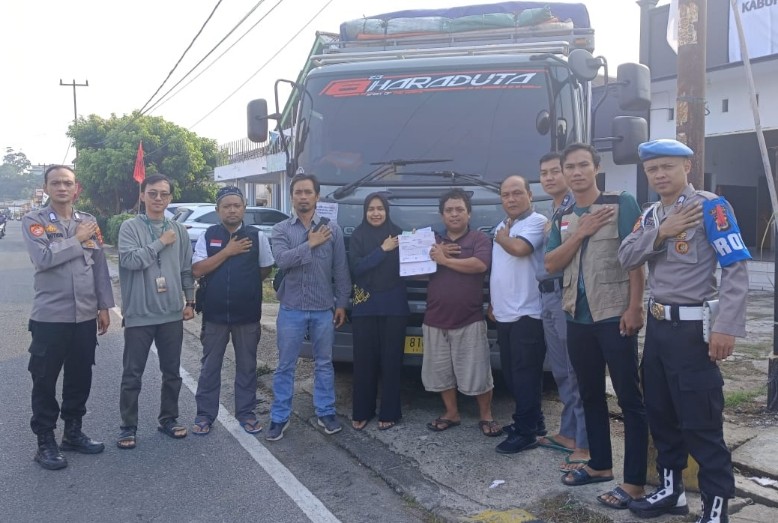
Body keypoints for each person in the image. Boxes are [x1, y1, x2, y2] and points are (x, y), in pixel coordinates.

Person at [619, 139, 751, 523]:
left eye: (668, 166)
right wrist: (661, 232)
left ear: (687, 167)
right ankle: (671, 493)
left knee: (701, 423)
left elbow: (735, 268)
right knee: (661, 416)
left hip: (694, 333)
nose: (660, 174)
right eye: (652, 169)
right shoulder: (650, 216)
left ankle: (715, 509)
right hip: (658, 331)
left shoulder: (710, 207)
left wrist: (726, 326)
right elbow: (626, 257)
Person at [544, 143, 648, 508]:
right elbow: (551, 263)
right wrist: (579, 232)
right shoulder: (563, 214)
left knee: (629, 399)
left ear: (596, 168)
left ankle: (634, 482)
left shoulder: (621, 203)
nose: (576, 172)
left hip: (614, 314)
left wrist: (635, 307)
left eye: (582, 165)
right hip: (577, 317)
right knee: (589, 394)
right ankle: (600, 465)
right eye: (569, 167)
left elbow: (635, 259)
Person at [22, 165, 114, 470]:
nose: (62, 188)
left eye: (68, 183)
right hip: (50, 317)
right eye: (56, 183)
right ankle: (45, 441)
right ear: (46, 188)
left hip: (85, 315)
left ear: (76, 188)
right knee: (44, 379)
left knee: (80, 376)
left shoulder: (88, 221)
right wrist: (77, 239)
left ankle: (73, 432)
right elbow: (43, 258)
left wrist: (104, 306)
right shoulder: (34, 221)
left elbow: (99, 265)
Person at [268, 174, 351, 441]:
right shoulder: (281, 230)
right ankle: (279, 416)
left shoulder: (333, 230)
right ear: (291, 196)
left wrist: (342, 303)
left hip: (323, 308)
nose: (303, 197)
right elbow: (282, 260)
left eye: (308, 192)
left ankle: (326, 411)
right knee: (285, 365)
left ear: (317, 196)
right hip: (291, 308)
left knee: (324, 363)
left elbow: (341, 270)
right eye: (298, 192)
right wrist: (310, 244)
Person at [117, 173, 196, 449]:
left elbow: (186, 269)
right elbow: (130, 261)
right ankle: (128, 426)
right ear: (142, 196)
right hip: (139, 313)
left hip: (171, 313)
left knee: (172, 372)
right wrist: (161, 241)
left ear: (170, 198)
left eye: (164, 194)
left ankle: (168, 419)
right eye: (152, 193)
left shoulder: (180, 230)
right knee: (132, 374)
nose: (158, 198)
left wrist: (190, 301)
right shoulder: (130, 227)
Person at [190, 186, 274, 436]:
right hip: (214, 315)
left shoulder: (257, 236)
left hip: (247, 315)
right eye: (226, 206)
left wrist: (246, 288)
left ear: (244, 209)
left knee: (247, 367)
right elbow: (198, 269)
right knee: (210, 367)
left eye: (237, 205)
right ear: (218, 210)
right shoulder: (209, 235)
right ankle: (204, 415)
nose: (232, 210)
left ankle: (246, 414)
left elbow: (265, 269)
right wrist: (227, 252)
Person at [424, 188, 500, 436]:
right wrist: (432, 255)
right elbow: (413, 270)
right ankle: (451, 413)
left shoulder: (479, 239)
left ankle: (486, 415)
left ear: (469, 214)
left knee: (478, 371)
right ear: (441, 215)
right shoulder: (431, 241)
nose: (454, 214)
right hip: (435, 318)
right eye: (449, 210)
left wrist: (444, 260)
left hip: (469, 319)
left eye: (459, 209)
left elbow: (480, 265)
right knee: (441, 372)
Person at [536, 153, 590, 471]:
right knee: (560, 370)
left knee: (575, 370)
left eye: (555, 171)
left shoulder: (577, 209)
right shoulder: (553, 210)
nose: (549, 178)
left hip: (566, 294)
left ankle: (584, 442)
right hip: (547, 295)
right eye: (544, 173)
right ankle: (568, 432)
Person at [488, 175, 547, 452]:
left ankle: (526, 433)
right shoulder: (503, 225)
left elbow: (520, 249)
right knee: (512, 374)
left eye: (516, 193)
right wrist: (493, 302)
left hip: (527, 312)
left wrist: (501, 238)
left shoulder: (537, 222)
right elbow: (501, 268)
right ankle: (535, 422)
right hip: (504, 312)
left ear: (530, 195)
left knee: (525, 375)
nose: (510, 199)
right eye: (505, 195)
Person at [349, 192, 409, 431]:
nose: (376, 213)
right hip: (365, 306)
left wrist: (422, 247)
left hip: (394, 307)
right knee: (364, 363)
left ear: (387, 211)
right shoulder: (357, 236)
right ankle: (362, 411)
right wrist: (383, 249)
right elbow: (357, 268)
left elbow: (411, 267)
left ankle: (390, 412)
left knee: (392, 362)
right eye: (371, 209)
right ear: (365, 212)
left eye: (380, 208)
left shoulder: (400, 235)